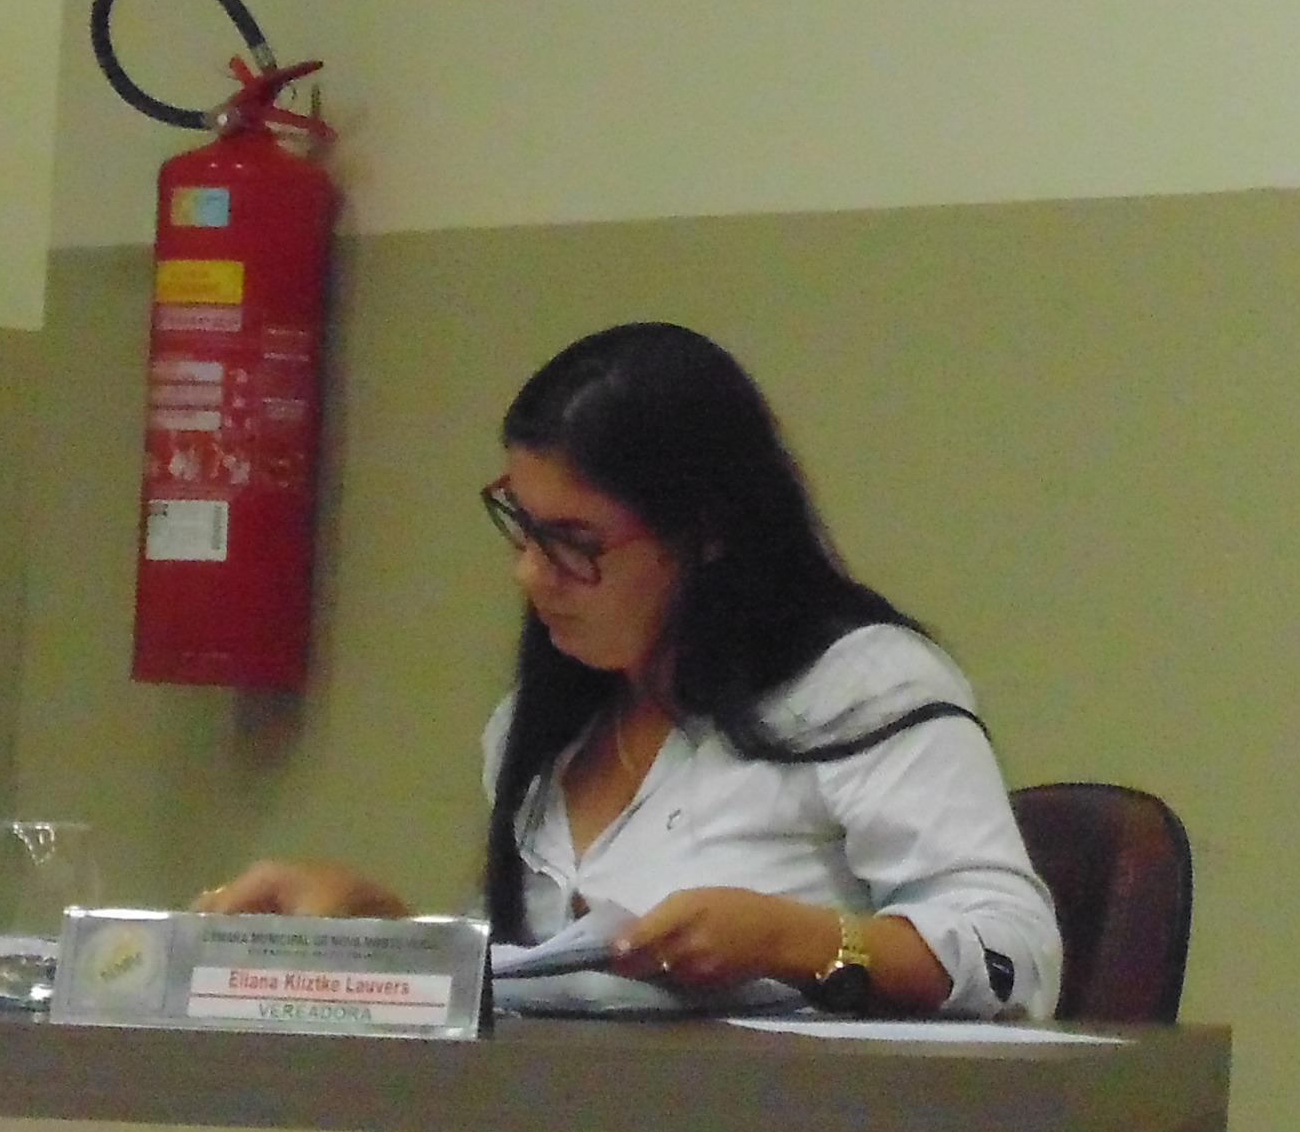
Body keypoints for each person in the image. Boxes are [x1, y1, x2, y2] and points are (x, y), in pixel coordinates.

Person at [204, 321, 1063, 1014]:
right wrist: (378, 930)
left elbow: (1014, 953)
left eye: (574, 542)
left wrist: (792, 940)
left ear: (707, 531)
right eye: (522, 526)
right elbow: (545, 984)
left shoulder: (861, 687)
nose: (530, 574)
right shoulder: (546, 723)